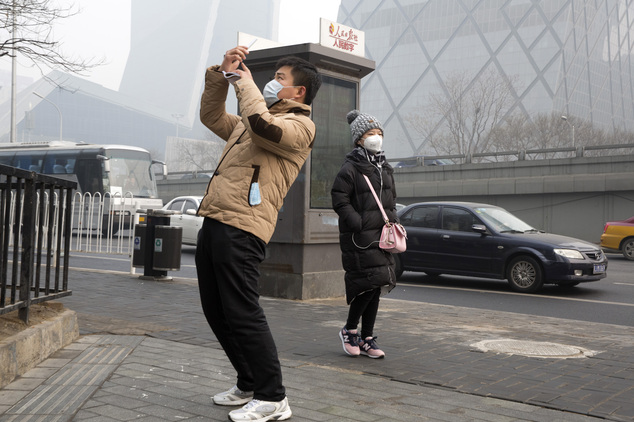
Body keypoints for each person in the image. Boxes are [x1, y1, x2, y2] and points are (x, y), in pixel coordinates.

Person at [195, 44, 321, 422]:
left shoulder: (300, 128)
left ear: (298, 92)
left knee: (242, 310)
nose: (270, 82)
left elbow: (264, 127)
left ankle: (273, 396)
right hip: (216, 218)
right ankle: (248, 381)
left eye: (279, 78)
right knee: (216, 310)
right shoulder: (247, 122)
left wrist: (244, 84)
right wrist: (222, 73)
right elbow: (211, 116)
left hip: (244, 227)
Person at [331, 110, 398, 359]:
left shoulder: (384, 168)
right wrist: (356, 222)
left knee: (377, 284)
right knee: (366, 286)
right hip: (359, 238)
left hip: (381, 238)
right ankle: (349, 330)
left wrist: (395, 222)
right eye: (371, 133)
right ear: (359, 139)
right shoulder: (350, 168)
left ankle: (367, 337)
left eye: (379, 133)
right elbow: (339, 199)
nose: (377, 138)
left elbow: (391, 202)